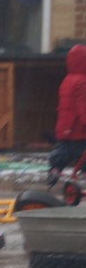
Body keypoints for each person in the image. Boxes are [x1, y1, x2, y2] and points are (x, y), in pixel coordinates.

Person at [48, 43, 86, 184]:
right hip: (78, 129)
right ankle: (84, 173)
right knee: (82, 153)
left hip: (65, 127)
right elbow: (83, 107)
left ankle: (55, 169)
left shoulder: (67, 80)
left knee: (64, 152)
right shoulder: (82, 82)